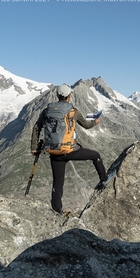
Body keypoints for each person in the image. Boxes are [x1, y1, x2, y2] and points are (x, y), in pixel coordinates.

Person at [31, 84, 108, 214]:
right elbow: (87, 125)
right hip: (71, 151)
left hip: (55, 152)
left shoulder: (47, 111)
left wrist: (34, 148)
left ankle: (56, 211)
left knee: (58, 182)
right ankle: (104, 179)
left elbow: (36, 128)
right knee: (96, 155)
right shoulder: (73, 111)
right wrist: (95, 122)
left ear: (57, 95)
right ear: (69, 96)